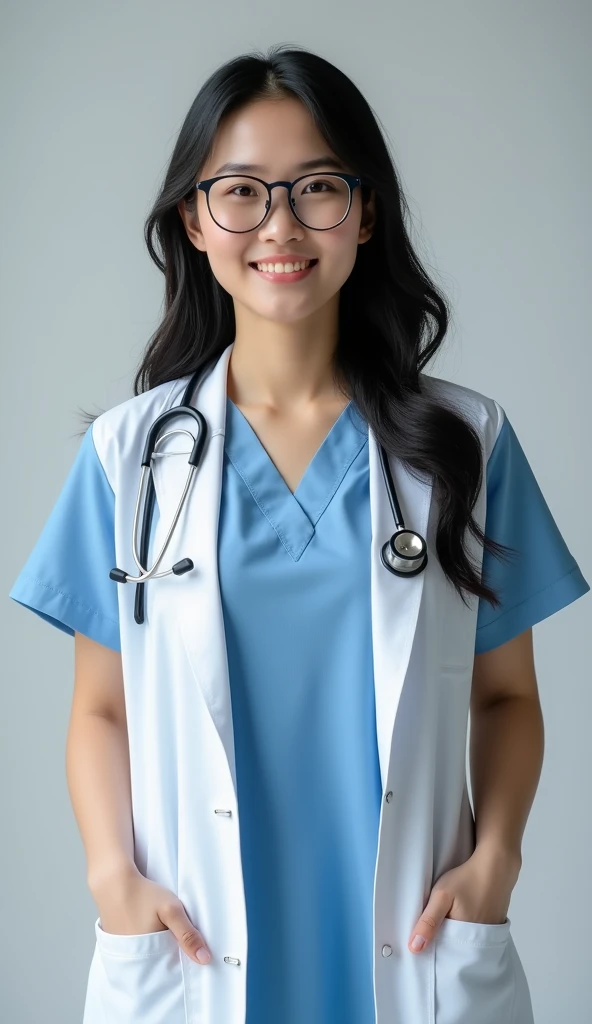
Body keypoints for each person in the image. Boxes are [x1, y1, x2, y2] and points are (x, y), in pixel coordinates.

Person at [9, 43, 589, 1024]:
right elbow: (99, 710)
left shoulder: (466, 446)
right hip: (192, 949)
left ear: (365, 212)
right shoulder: (129, 458)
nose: (280, 224)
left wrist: (497, 859)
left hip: (411, 952)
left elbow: (506, 697)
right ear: (195, 220)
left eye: (317, 186)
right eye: (241, 190)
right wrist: (113, 877)